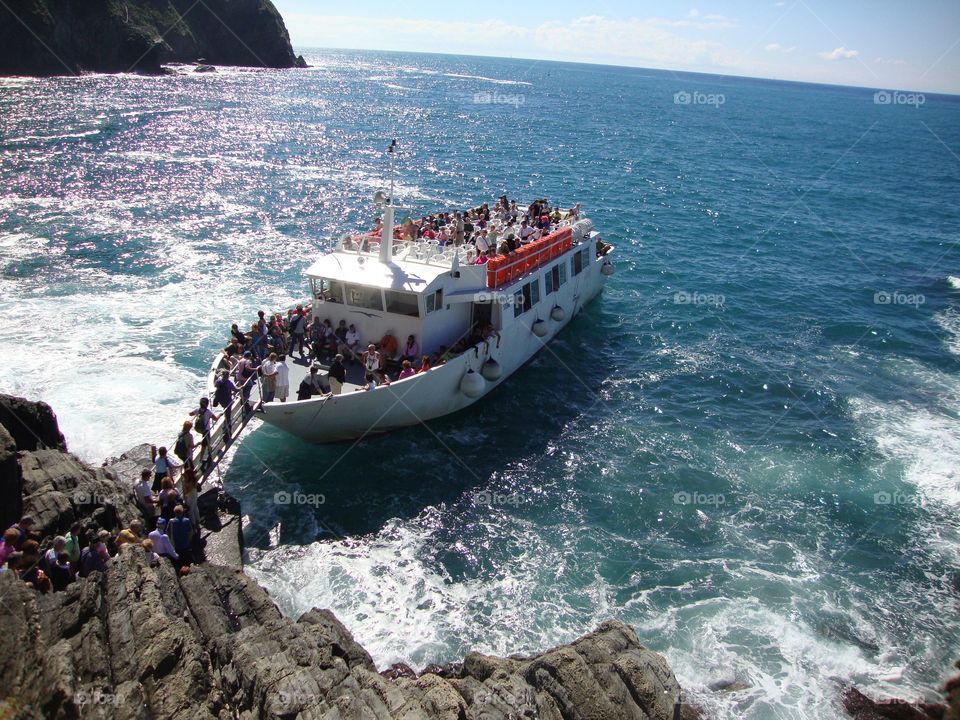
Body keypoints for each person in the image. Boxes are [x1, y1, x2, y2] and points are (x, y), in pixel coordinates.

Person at [189, 397, 218, 470]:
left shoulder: (197, 410)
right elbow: (215, 419)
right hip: (206, 430)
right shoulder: (208, 412)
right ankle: (201, 459)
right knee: (204, 445)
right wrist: (220, 414)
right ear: (207, 404)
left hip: (200, 429)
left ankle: (207, 450)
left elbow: (190, 414)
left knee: (205, 443)